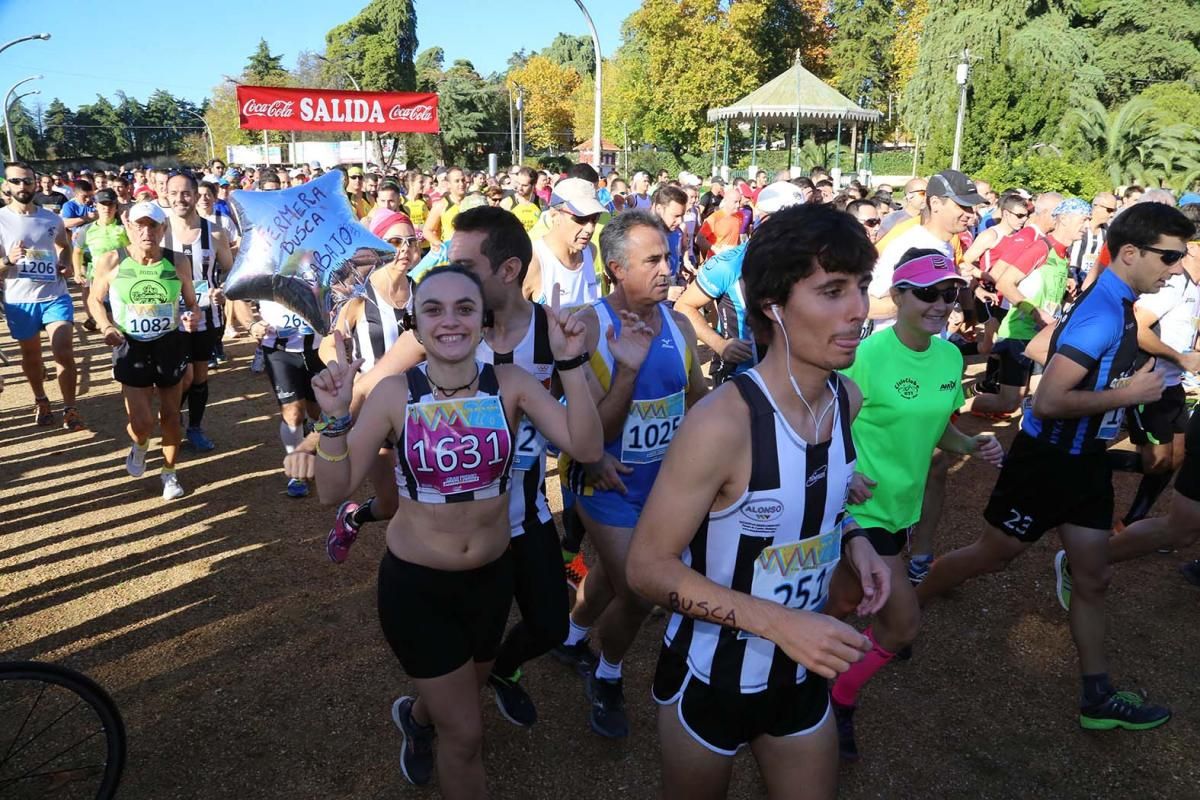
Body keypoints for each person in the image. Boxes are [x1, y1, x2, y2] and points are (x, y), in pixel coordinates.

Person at [625, 204, 890, 799]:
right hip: (709, 676)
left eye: (862, 288)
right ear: (774, 306)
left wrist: (856, 542)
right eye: (832, 291)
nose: (858, 310)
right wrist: (780, 623)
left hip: (800, 671)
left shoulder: (845, 398)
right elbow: (646, 569)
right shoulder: (722, 423)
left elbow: (822, 504)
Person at [308, 264, 601, 797]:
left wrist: (572, 363)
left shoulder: (510, 384)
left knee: (461, 690)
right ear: (415, 325)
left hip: (492, 580)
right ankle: (435, 725)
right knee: (465, 732)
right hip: (418, 588)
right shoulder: (395, 393)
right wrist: (332, 419)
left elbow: (586, 448)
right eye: (433, 310)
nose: (450, 321)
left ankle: (417, 718)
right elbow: (333, 489)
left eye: (464, 309)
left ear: (481, 321)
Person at [918, 202, 1195, 731]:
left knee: (1093, 577)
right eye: (1170, 257)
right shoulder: (1102, 313)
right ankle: (906, 608)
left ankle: (1097, 697)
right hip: (1046, 462)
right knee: (994, 555)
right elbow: (1047, 401)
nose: (1176, 268)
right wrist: (1129, 393)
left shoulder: (1118, 299)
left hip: (1086, 462)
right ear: (1131, 252)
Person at [824, 249, 1003, 761]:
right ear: (898, 295)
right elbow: (820, 421)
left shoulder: (949, 357)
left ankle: (792, 667)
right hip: (858, 511)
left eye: (949, 294)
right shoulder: (864, 356)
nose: (941, 304)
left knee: (838, 603)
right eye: (928, 293)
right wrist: (846, 469)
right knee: (901, 625)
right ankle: (837, 699)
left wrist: (973, 446)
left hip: (902, 510)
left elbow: (939, 427)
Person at [556, 210, 708, 739]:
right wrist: (625, 371)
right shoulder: (588, 326)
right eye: (654, 260)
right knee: (641, 591)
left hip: (663, 488)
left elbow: (695, 403)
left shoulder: (680, 324)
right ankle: (608, 673)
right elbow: (582, 431)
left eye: (668, 256)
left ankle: (574, 635)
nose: (669, 268)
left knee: (616, 574)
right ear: (617, 268)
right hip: (604, 485)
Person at [321, 211, 421, 561]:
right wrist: (338, 367)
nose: (404, 250)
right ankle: (353, 517)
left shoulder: (424, 294)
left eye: (411, 241)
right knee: (393, 502)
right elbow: (330, 341)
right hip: (376, 412)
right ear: (377, 247)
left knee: (423, 500)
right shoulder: (360, 297)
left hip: (422, 411)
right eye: (394, 242)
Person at [87, 201, 201, 500]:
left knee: (171, 416)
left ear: (163, 229)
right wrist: (106, 327)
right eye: (140, 225)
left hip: (169, 343)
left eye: (153, 225)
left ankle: (170, 472)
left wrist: (194, 313)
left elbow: (191, 301)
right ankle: (139, 446)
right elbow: (94, 300)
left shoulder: (178, 261)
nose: (146, 231)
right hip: (130, 345)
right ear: (129, 227)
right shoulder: (112, 260)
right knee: (142, 424)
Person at [1106, 202, 1200, 531]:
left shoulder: (1194, 285)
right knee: (1157, 460)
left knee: (1176, 457)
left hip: (1172, 384)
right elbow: (1138, 326)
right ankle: (1083, 463)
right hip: (1150, 381)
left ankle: (1132, 520)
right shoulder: (1174, 284)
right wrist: (1181, 358)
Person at [674, 182, 805, 384]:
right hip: (739, 378)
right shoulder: (729, 264)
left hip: (792, 376)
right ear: (765, 218)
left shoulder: (809, 265)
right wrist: (720, 345)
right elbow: (684, 306)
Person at [969, 197, 1086, 418]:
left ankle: (1030, 441)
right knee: (1009, 402)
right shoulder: (1041, 247)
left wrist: (1066, 294)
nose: (1086, 227)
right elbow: (1004, 282)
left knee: (1042, 395)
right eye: (1082, 220)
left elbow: (1045, 292)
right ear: (1065, 220)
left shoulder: (1064, 253)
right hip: (1019, 334)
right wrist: (1035, 312)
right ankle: (954, 409)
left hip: (1042, 336)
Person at [0, 162, 84, 430]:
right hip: (19, 300)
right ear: (6, 185)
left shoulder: (51, 218)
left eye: (26, 181)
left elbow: (64, 245)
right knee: (32, 357)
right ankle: (41, 399)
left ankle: (70, 408)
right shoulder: (1, 219)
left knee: (63, 351)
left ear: (35, 184)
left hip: (54, 295)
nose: (22, 186)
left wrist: (65, 263)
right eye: (16, 181)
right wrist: (8, 261)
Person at [163, 172, 234, 451]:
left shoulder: (215, 232)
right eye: (174, 193)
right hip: (169, 318)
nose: (180, 199)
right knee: (182, 376)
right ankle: (170, 420)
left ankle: (194, 427)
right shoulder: (159, 230)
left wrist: (223, 290)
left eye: (186, 193)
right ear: (166, 196)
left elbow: (230, 270)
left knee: (200, 376)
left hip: (207, 315)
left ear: (195, 195)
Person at [522, 178, 604, 306]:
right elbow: (508, 320)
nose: (590, 228)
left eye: (595, 219)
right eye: (580, 218)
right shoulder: (532, 262)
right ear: (555, 214)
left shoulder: (590, 252)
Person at [75, 188, 130, 333]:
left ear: (116, 206)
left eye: (110, 205)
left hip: (122, 276)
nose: (107, 208)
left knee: (121, 311)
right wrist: (77, 271)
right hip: (97, 276)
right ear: (96, 206)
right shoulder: (87, 229)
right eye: (103, 205)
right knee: (101, 305)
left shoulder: (123, 228)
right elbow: (77, 251)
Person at [423, 166, 468, 249]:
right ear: (448, 184)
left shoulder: (473, 202)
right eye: (457, 181)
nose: (461, 184)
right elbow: (427, 230)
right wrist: (441, 246)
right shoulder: (441, 205)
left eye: (463, 180)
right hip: (451, 253)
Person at [695, 187, 744, 257]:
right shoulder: (714, 218)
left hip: (732, 259)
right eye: (735, 202)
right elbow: (699, 239)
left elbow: (736, 235)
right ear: (726, 200)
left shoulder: (740, 216)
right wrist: (716, 249)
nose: (738, 205)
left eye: (739, 202)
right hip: (717, 260)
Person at [500, 166, 541, 232]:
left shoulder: (541, 203)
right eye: (518, 183)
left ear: (533, 185)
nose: (520, 188)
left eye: (524, 185)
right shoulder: (506, 203)